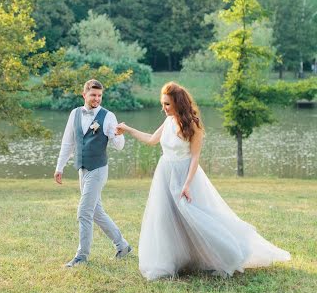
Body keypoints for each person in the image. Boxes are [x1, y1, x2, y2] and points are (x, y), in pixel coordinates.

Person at [116, 81, 290, 281]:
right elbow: (151, 140)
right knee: (165, 217)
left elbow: (195, 157)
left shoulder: (193, 124)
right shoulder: (168, 121)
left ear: (178, 104)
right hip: (165, 174)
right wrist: (128, 129)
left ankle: (229, 252)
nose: (163, 108)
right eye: (163, 104)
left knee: (197, 217)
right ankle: (169, 261)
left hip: (186, 176)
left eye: (167, 104)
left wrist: (187, 184)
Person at [54, 79, 132, 267]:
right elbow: (68, 142)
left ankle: (82, 257)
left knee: (84, 212)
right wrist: (60, 166)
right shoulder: (75, 114)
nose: (97, 99)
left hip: (98, 169)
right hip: (83, 168)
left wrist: (118, 135)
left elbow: (119, 146)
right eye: (93, 95)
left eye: (99, 96)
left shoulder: (108, 116)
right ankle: (123, 246)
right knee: (96, 212)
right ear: (84, 95)